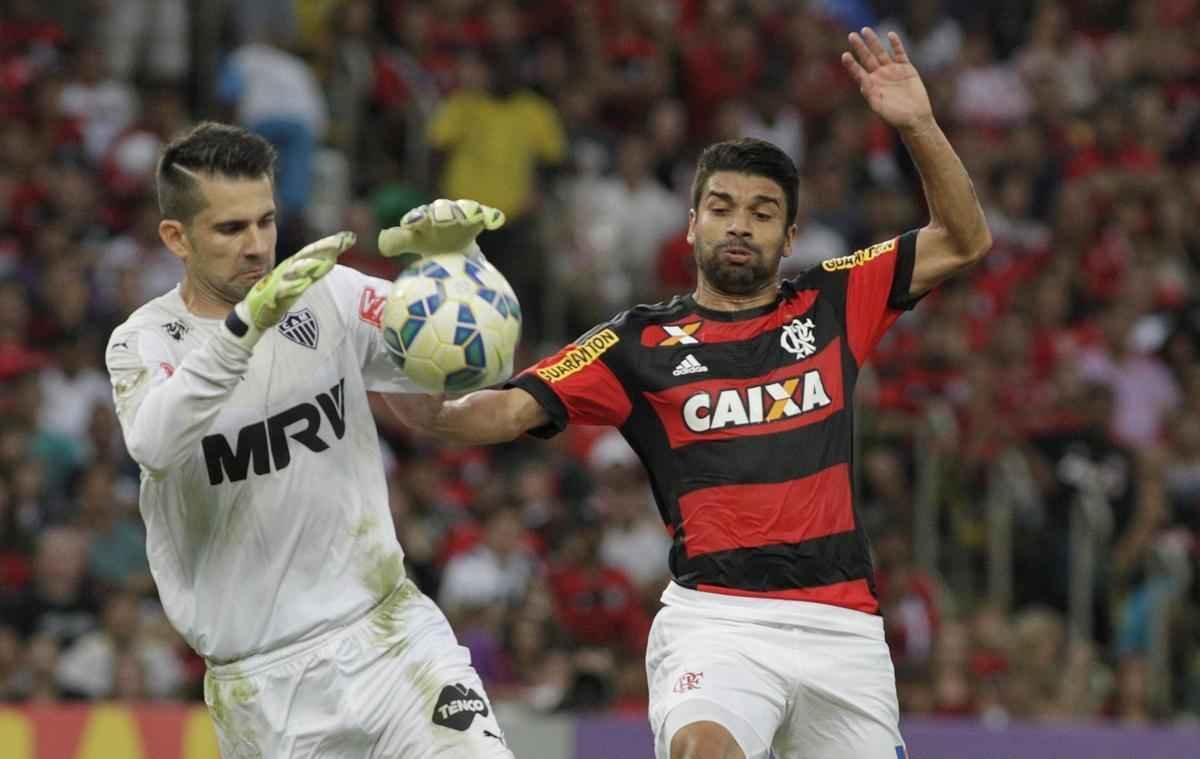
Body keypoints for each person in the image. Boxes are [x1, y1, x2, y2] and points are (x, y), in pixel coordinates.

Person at [384, 29, 991, 759]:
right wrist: (399, 364)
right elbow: (493, 413)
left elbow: (963, 238)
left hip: (844, 628)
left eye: (763, 212)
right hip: (718, 621)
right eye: (723, 206)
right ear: (693, 221)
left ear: (790, 233)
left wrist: (918, 125)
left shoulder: (834, 301)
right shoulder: (636, 344)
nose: (740, 224)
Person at [104, 122, 514, 758]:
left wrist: (457, 270)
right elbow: (154, 444)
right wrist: (246, 327)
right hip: (264, 686)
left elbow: (465, 369)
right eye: (231, 229)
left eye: (266, 221)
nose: (257, 246)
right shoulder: (142, 341)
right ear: (175, 237)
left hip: (389, 637)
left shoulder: (328, 292)